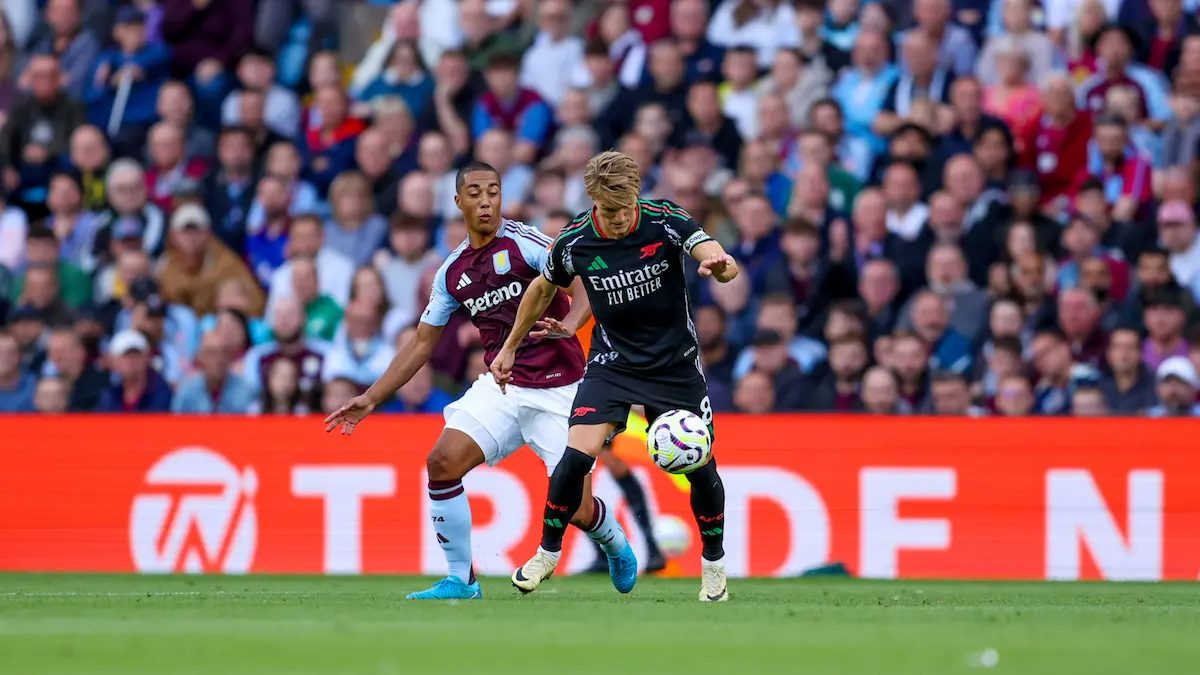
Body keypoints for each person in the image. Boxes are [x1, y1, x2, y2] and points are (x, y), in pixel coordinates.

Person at [324, 161, 635, 601]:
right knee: (441, 463)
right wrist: (372, 397)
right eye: (475, 192)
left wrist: (570, 321)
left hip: (561, 388)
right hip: (502, 386)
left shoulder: (526, 242)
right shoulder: (451, 273)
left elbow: (583, 277)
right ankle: (461, 581)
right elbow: (420, 345)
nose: (485, 200)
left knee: (579, 510)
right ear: (458, 202)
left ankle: (615, 543)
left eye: (493, 190)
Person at [493, 151, 739, 602]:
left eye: (627, 207)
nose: (622, 218)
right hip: (613, 363)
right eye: (610, 211)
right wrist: (511, 345)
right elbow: (543, 288)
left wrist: (720, 265)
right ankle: (548, 553)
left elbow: (711, 252)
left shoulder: (664, 218)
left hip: (675, 365)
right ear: (593, 202)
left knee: (701, 467)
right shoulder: (575, 241)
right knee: (576, 456)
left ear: (637, 196)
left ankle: (714, 567)